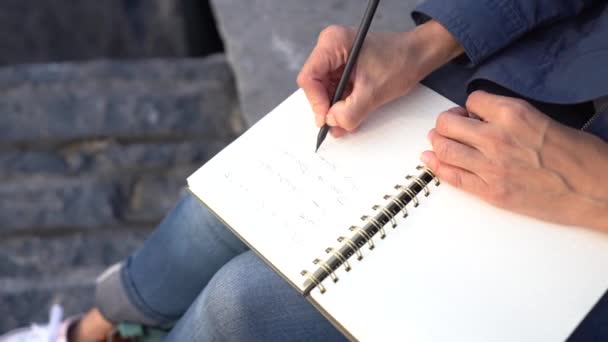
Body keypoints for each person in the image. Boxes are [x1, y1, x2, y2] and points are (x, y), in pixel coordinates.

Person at [3, 0, 607, 341]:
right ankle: (91, 331)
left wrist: (592, 187)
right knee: (230, 205)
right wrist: (426, 45)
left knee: (242, 308)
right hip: (555, 71)